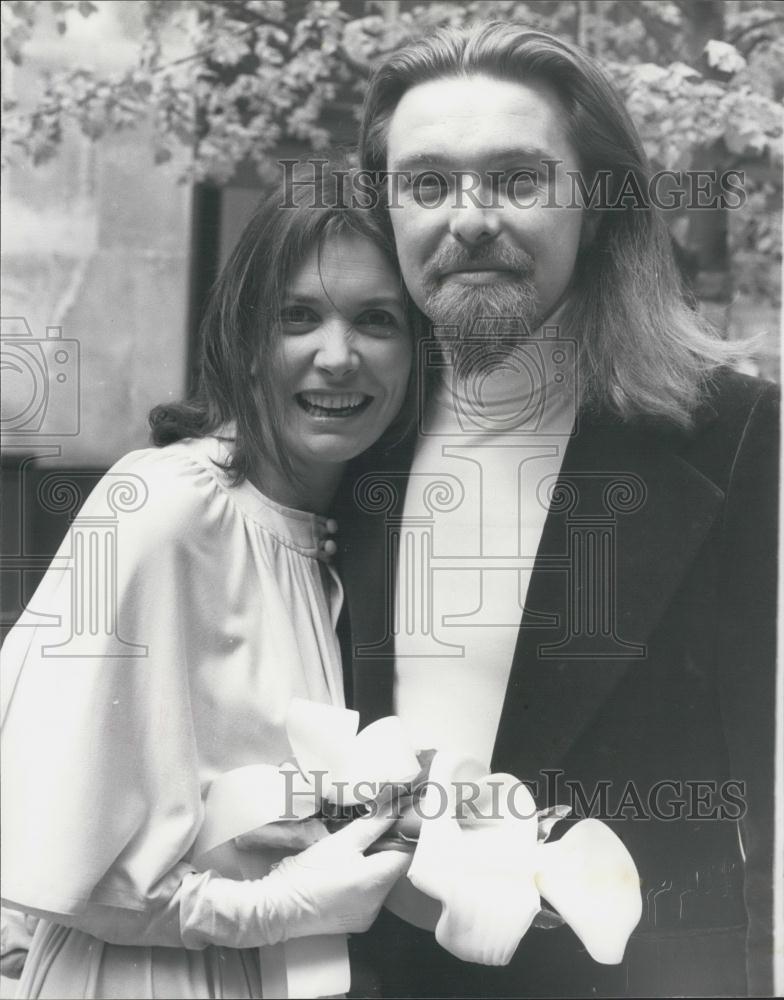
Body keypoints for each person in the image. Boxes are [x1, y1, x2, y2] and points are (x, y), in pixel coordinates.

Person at [335, 23, 779, 998]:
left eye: (517, 179)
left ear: (600, 207)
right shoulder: (345, 441)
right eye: (426, 184)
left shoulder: (742, 442)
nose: (469, 218)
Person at [0, 161, 417, 999]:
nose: (338, 357)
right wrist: (274, 909)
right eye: (298, 316)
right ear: (243, 335)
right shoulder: (161, 505)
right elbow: (49, 847)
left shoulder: (349, 533)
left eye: (377, 320)